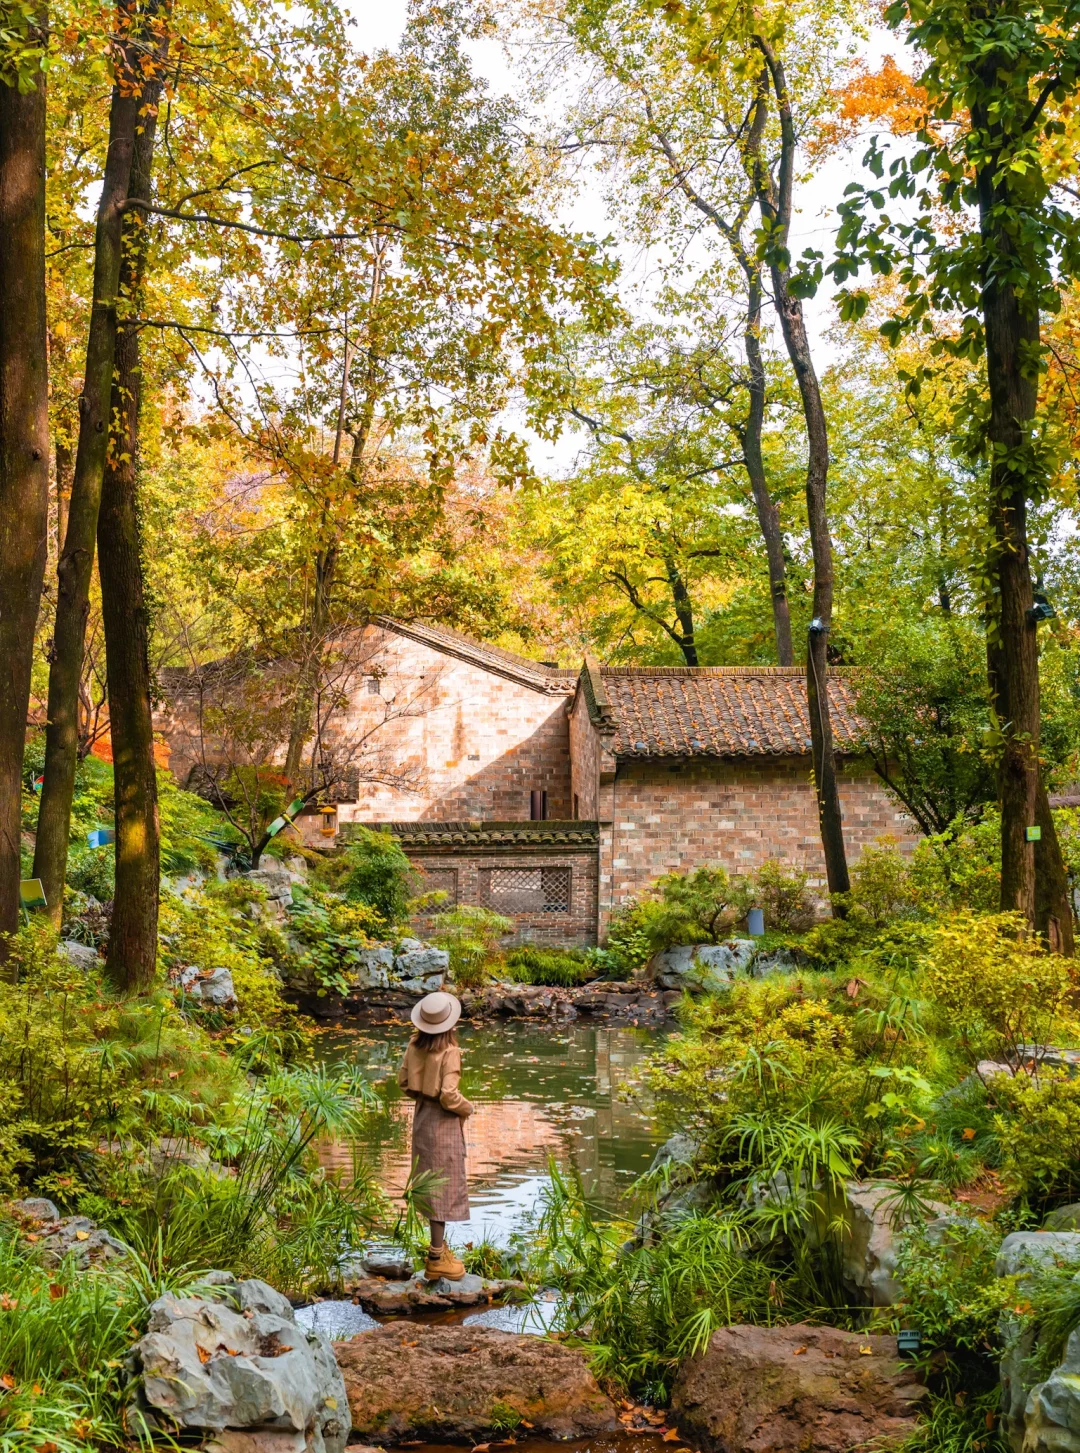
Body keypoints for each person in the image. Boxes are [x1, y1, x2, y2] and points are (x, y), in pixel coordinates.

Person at [397, 990, 474, 1281]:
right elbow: (449, 1095)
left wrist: (420, 1092)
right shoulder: (450, 1052)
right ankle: (436, 1257)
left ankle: (437, 1251)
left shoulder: (414, 1046)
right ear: (450, 1025)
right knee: (443, 1184)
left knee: (430, 1182)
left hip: (421, 1118)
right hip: (443, 1122)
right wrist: (467, 1108)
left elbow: (404, 1082)